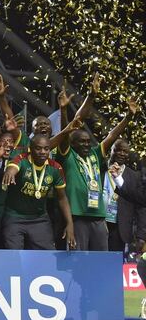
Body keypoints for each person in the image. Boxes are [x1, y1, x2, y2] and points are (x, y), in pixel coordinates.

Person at [54, 97, 137, 250]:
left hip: (98, 217)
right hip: (77, 216)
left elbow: (112, 136)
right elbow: (65, 135)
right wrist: (64, 110)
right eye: (82, 141)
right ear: (73, 143)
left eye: (88, 141)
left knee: (100, 258)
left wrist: (128, 117)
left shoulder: (95, 154)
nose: (87, 144)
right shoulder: (68, 155)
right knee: (78, 259)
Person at [1, 134, 76, 250]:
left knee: (47, 256)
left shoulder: (55, 168)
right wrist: (10, 173)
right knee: (14, 255)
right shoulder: (21, 159)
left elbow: (62, 198)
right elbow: (13, 167)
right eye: (38, 148)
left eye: (46, 149)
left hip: (39, 219)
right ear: (30, 149)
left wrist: (70, 224)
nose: (43, 152)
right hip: (15, 217)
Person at [104, 139, 146, 254]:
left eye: (125, 151)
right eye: (118, 150)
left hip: (120, 228)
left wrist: (141, 235)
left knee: (115, 263)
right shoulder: (100, 169)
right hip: (99, 224)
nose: (122, 153)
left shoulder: (135, 176)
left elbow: (141, 207)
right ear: (111, 150)